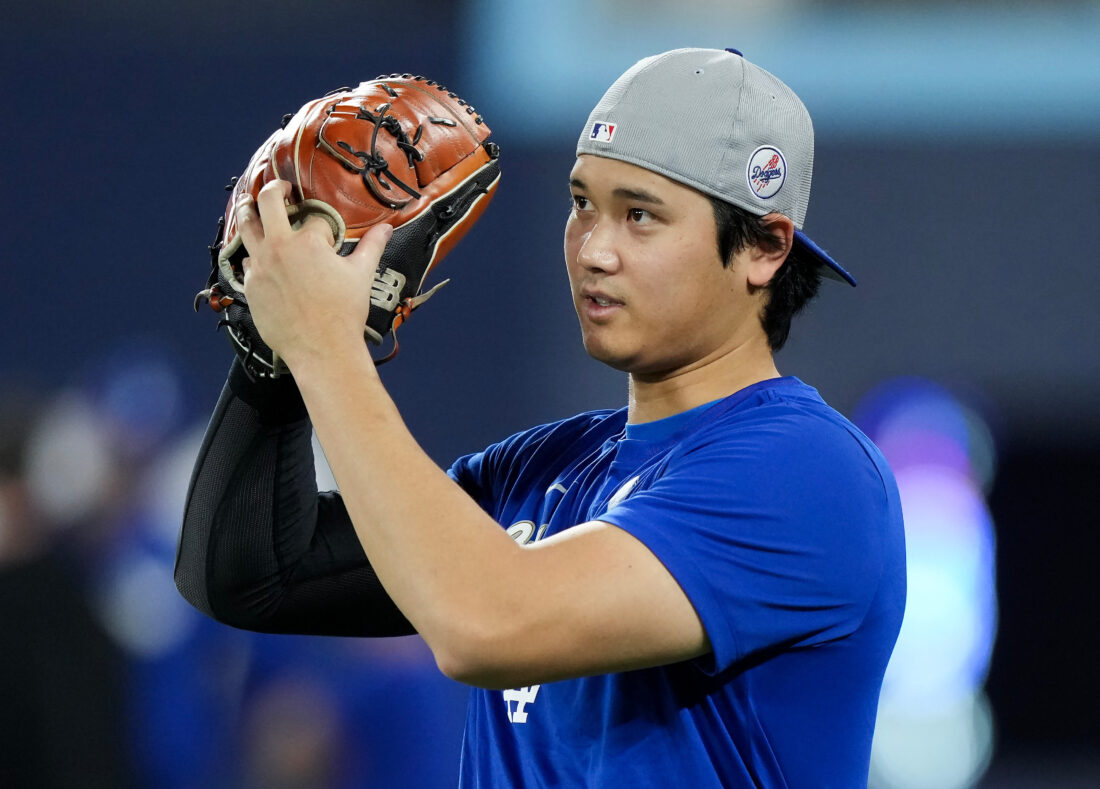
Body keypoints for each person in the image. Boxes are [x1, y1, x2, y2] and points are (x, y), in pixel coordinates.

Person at [176, 48, 906, 788]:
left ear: (765, 248)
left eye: (640, 215)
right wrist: (271, 359)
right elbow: (252, 577)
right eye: (582, 203)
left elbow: (487, 624)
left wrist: (325, 347)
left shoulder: (812, 471)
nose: (594, 250)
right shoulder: (545, 466)